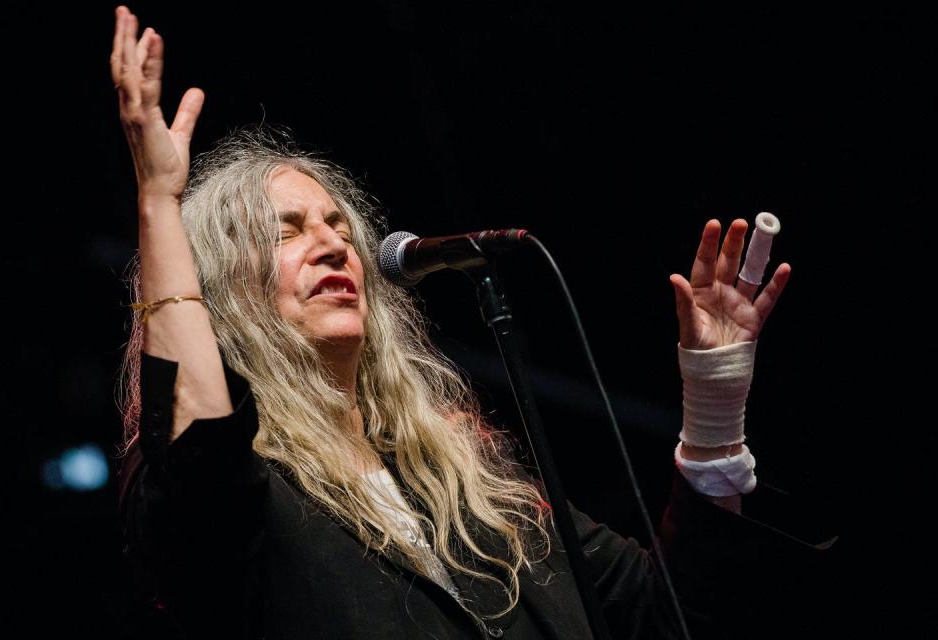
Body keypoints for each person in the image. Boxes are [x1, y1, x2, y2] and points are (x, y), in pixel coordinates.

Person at [110, 5, 828, 639]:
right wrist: (158, 203)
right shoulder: (251, 506)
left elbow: (667, 618)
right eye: (285, 231)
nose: (332, 243)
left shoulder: (471, 489)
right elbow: (195, 441)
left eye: (337, 224)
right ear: (221, 295)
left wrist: (713, 400)